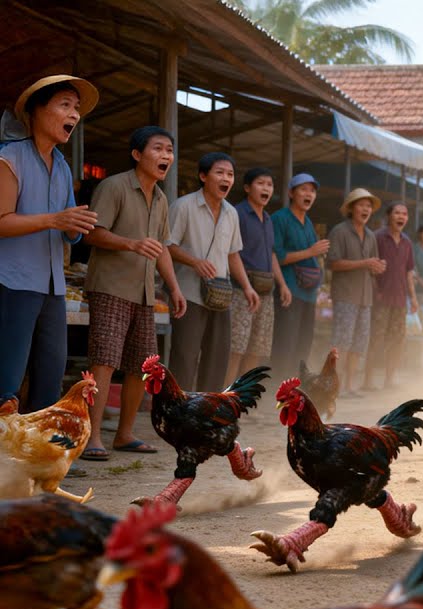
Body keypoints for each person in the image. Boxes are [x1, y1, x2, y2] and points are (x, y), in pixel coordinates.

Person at [82, 126, 188, 459]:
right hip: (110, 287)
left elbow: (162, 249)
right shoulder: (113, 186)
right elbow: (92, 234)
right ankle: (92, 437)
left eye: (169, 151)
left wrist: (173, 287)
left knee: (142, 366)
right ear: (137, 154)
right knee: (104, 362)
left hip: (144, 294)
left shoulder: (160, 199)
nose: (166, 156)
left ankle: (124, 435)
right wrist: (131, 243)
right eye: (158, 149)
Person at [0, 75, 98, 413]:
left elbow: (69, 229)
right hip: (12, 282)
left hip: (53, 287)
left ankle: (39, 462)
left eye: (77, 108)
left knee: (50, 377)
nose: (74, 114)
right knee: (7, 380)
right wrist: (55, 220)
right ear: (36, 111)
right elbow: (2, 221)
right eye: (65, 105)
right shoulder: (10, 157)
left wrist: (75, 227)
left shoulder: (63, 168)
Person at [166, 152, 258, 392]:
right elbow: (166, 246)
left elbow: (232, 254)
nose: (226, 178)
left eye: (230, 174)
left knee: (217, 358)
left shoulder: (231, 213)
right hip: (188, 295)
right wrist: (194, 261)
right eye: (219, 172)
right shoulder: (183, 206)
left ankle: (207, 412)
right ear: (203, 176)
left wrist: (247, 287)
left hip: (221, 296)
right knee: (185, 357)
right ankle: (178, 411)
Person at [226, 168, 290, 386]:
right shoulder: (238, 214)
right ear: (247, 188)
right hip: (240, 290)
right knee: (236, 348)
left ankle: (242, 399)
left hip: (265, 290)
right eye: (261, 183)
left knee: (256, 349)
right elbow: (230, 253)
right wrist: (246, 286)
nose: (266, 188)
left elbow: (271, 253)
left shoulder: (268, 219)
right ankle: (224, 399)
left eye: (270, 185)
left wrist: (282, 284)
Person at [327, 188, 383, 394]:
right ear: (351, 208)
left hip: (365, 297)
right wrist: (365, 263)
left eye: (368, 206)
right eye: (361, 205)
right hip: (345, 295)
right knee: (341, 341)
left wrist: (377, 267)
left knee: (359, 343)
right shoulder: (339, 231)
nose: (366, 209)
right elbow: (332, 263)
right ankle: (335, 386)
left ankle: (350, 386)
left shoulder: (370, 235)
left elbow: (373, 264)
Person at [271, 173, 328, 376]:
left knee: (303, 344)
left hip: (308, 293)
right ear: (291, 193)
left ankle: (295, 390)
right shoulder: (280, 218)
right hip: (289, 290)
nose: (309, 194)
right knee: (285, 343)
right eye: (303, 189)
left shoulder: (308, 222)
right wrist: (311, 251)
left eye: (312, 191)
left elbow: (313, 257)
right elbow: (276, 255)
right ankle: (276, 391)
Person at [366, 201, 418, 390]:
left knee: (397, 340)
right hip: (380, 299)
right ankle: (368, 381)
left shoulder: (407, 242)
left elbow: (409, 272)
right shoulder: (377, 237)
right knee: (375, 339)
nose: (401, 217)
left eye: (404, 214)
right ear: (389, 216)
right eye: (397, 213)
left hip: (400, 299)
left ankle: (389, 379)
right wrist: (375, 291)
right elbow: (370, 268)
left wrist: (413, 297)